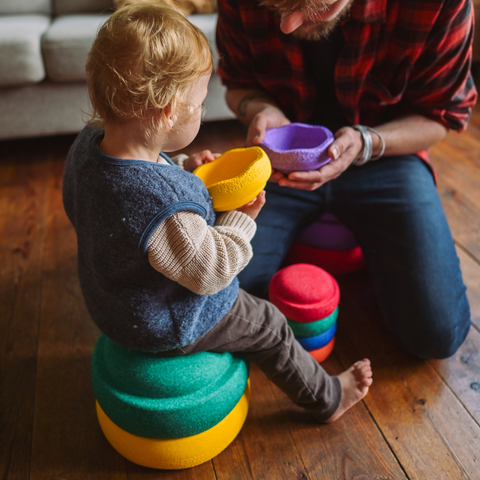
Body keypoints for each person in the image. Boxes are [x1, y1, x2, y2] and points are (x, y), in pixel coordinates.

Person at [62, 3, 373, 423]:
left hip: (110, 303)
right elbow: (213, 271)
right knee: (268, 324)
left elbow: (123, 191)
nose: (202, 110)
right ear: (169, 110)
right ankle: (328, 398)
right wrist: (240, 220)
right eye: (200, 102)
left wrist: (188, 169)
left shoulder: (88, 145)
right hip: (167, 320)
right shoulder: (164, 208)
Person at [216, 0, 477, 359]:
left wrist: (367, 142)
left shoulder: (438, 5)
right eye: (278, 8)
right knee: (213, 303)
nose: (288, 26)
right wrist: (260, 109)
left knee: (436, 333)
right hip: (278, 163)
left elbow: (439, 116)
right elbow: (236, 84)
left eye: (308, 9)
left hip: (387, 154)